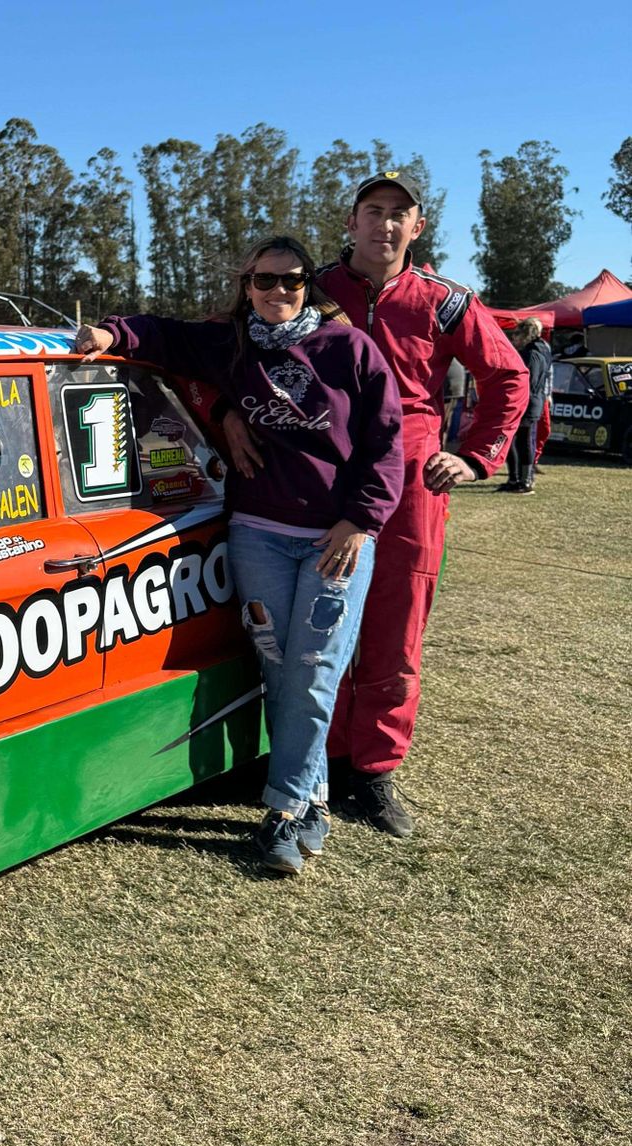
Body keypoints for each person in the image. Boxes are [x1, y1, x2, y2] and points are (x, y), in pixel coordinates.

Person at [76, 236, 403, 875]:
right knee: (281, 670)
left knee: (315, 669)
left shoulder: (350, 350)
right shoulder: (231, 344)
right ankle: (314, 801)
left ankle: (281, 809)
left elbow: (386, 444)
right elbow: (158, 337)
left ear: (311, 284)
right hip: (257, 533)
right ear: (245, 284)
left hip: (335, 542)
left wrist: (360, 522)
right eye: (265, 281)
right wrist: (107, 333)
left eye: (293, 281)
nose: (278, 292)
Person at [220, 170, 526, 838]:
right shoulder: (306, 283)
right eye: (373, 210)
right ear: (351, 222)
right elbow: (226, 347)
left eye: (399, 214)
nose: (385, 224)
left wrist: (475, 454)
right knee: (304, 628)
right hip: (309, 467)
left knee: (393, 624)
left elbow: (508, 374)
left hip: (409, 469)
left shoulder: (445, 301)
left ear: (417, 227)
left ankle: (375, 767)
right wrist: (225, 412)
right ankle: (314, 762)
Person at [503, 318, 551, 493]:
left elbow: (528, 381)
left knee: (523, 441)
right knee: (517, 440)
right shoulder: (538, 350)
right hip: (530, 401)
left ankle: (525, 480)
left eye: (516, 335)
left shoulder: (532, 353)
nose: (514, 339)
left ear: (524, 335)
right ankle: (516, 478)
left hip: (527, 402)